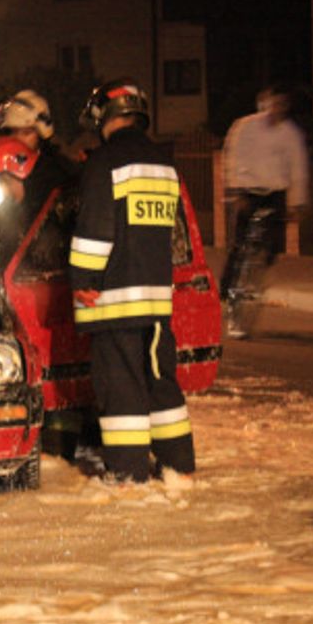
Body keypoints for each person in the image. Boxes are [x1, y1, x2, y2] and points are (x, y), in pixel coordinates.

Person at [67, 78, 194, 483]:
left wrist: (83, 279)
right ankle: (178, 466)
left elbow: (95, 231)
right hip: (157, 301)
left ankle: (128, 473)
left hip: (115, 299)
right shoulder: (164, 163)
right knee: (162, 384)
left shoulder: (104, 163)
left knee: (120, 388)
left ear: (104, 115)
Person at [219, 85, 310, 332]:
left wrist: (297, 202)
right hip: (248, 191)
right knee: (238, 246)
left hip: (275, 194)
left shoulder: (290, 134)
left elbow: (298, 168)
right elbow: (234, 157)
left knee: (273, 245)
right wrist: (236, 191)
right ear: (264, 104)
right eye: (272, 104)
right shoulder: (246, 127)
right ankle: (227, 291)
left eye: (281, 105)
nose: (276, 110)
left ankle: (260, 271)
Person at [0, 90, 77, 263]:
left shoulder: (53, 169)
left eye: (25, 133)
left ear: (41, 134)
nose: (17, 140)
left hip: (43, 264)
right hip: (8, 266)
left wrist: (23, 191)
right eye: (12, 133)